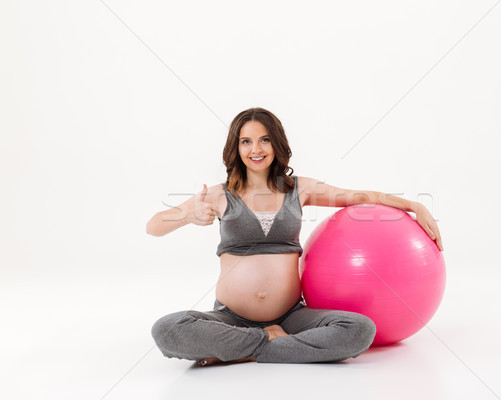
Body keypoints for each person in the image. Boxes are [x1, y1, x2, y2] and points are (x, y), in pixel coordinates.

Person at [147, 107, 443, 366]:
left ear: (276, 143)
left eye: (264, 139)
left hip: (291, 317)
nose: (256, 149)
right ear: (235, 148)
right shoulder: (219, 195)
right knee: (168, 329)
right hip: (230, 317)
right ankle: (267, 342)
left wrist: (413, 205)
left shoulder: (299, 188)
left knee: (361, 330)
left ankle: (240, 351)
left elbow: (356, 196)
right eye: (246, 141)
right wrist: (190, 215)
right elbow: (154, 225)